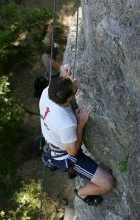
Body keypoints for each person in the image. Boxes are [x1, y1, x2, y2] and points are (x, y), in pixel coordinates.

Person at [39, 75, 115, 206]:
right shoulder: (66, 124)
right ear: (68, 99)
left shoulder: (47, 92)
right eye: (73, 89)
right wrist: (80, 124)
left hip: (54, 138)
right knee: (107, 182)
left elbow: (63, 82)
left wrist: (66, 74)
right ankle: (82, 193)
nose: (75, 83)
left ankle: (72, 170)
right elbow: (73, 151)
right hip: (65, 155)